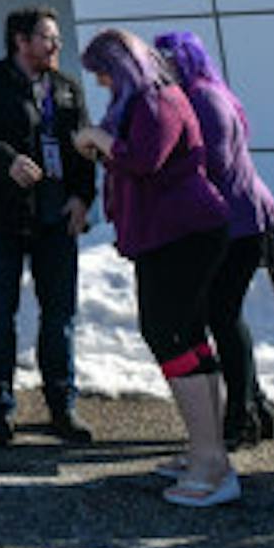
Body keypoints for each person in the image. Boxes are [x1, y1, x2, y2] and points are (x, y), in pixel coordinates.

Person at [72, 29, 235, 507]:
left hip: (180, 233)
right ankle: (207, 450)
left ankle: (210, 462)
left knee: (170, 334)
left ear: (122, 66)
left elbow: (146, 160)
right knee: (185, 336)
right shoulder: (151, 99)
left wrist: (99, 138)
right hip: (174, 233)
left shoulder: (157, 99)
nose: (101, 81)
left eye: (103, 70)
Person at [0, 6, 96, 447]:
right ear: (21, 40)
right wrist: (6, 159)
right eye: (47, 38)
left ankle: (62, 405)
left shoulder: (66, 88)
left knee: (60, 315)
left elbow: (84, 148)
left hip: (56, 218)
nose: (56, 46)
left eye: (55, 38)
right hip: (1, 217)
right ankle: (0, 407)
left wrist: (82, 197)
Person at [152, 30, 274, 451]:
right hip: (238, 219)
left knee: (223, 316)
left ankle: (241, 415)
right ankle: (254, 406)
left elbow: (212, 166)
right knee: (222, 314)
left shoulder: (203, 100)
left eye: (165, 60)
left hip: (236, 223)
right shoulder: (209, 92)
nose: (158, 69)